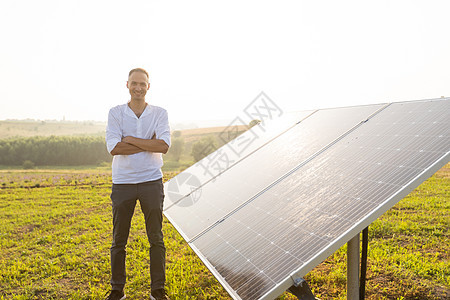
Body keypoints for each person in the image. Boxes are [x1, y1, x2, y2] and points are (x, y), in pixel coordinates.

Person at [105, 68, 171, 300]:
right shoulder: (115, 113)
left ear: (148, 86)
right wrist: (147, 143)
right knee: (118, 240)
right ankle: (117, 290)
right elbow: (115, 148)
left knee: (156, 238)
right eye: (134, 83)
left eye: (142, 84)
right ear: (127, 85)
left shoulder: (159, 113)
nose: (138, 87)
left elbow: (163, 145)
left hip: (151, 181)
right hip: (122, 183)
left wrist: (130, 140)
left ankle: (157, 291)